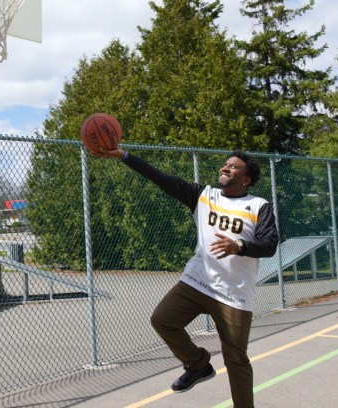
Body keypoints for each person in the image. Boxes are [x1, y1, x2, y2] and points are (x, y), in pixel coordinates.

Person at [91, 147, 278, 408]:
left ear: (246, 179)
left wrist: (240, 246)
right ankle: (198, 364)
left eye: (233, 167)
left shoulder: (258, 206)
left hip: (233, 293)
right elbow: (160, 178)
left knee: (236, 359)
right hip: (197, 281)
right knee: (163, 320)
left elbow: (270, 244)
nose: (225, 168)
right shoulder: (204, 196)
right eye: (225, 165)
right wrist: (124, 156)